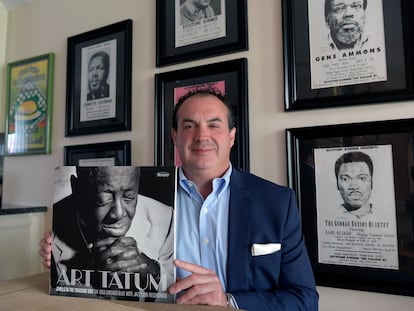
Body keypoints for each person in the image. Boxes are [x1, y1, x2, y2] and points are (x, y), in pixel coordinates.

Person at [41, 87, 318, 310]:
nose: (202, 136)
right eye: (189, 126)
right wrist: (61, 253)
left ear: (232, 136)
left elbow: (305, 299)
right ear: (175, 136)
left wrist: (229, 302)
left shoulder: (276, 202)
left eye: (214, 125)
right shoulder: (142, 208)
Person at [48, 166, 174, 300]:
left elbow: (177, 294)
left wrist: (156, 275)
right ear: (77, 188)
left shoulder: (166, 218)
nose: (118, 214)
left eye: (129, 197)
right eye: (103, 200)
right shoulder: (51, 225)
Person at [334, 151, 374, 218]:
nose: (354, 186)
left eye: (362, 178)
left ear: (371, 183)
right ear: (337, 184)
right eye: (345, 179)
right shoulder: (329, 217)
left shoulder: (386, 217)